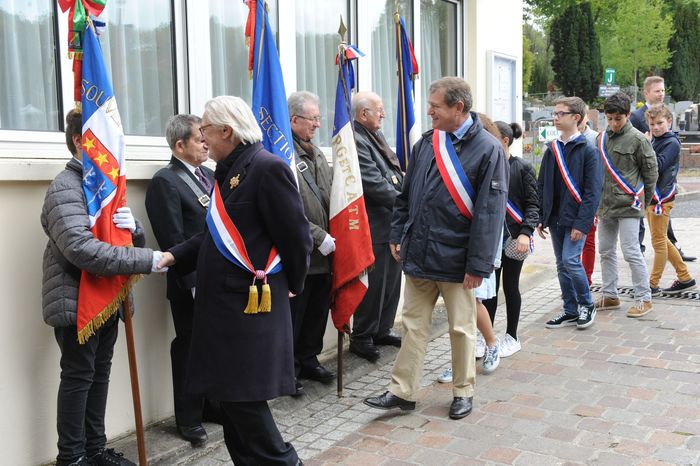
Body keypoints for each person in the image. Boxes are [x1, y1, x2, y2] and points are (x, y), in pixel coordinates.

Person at [158, 95, 312, 465]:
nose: (203, 136)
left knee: (244, 402)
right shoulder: (228, 172)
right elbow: (215, 234)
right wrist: (174, 255)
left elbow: (297, 237)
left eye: (206, 129)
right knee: (228, 401)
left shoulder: (266, 168)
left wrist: (292, 283)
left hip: (249, 308)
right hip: (223, 312)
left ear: (227, 130)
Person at [363, 77, 508, 420]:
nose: (428, 112)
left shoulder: (488, 150)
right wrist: (398, 233)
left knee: (461, 328)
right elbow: (405, 195)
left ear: (458, 108)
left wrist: (478, 264)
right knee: (413, 325)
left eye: (435, 106)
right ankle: (402, 392)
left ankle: (463, 391)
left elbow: (490, 213)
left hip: (459, 260)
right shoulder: (427, 143)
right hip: (419, 253)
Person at [41, 109, 164, 466]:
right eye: (100, 139)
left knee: (100, 374)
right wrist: (148, 259)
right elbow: (82, 250)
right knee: (79, 378)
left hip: (108, 297)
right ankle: (72, 457)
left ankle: (94, 449)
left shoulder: (104, 186)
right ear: (80, 141)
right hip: (76, 299)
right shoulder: (65, 188)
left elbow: (118, 240)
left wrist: (136, 230)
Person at [145, 114, 214, 446]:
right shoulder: (166, 181)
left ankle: (210, 405)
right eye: (199, 137)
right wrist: (192, 282)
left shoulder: (212, 176)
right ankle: (188, 418)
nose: (206, 142)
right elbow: (172, 238)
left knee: (215, 346)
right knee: (188, 347)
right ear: (179, 145)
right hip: (191, 282)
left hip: (220, 279)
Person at [537, 96, 602, 330]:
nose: (555, 117)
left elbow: (593, 192)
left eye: (560, 114)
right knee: (561, 264)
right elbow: (542, 185)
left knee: (571, 261)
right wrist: (541, 217)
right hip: (555, 217)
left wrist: (582, 224)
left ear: (576, 117)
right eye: (554, 114)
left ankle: (587, 304)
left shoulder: (588, 151)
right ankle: (570, 310)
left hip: (576, 218)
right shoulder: (551, 150)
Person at [349, 91, 404, 362]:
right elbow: (375, 184)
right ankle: (362, 336)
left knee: (392, 284)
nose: (383, 114)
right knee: (375, 285)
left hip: (391, 222)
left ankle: (382, 329)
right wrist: (406, 202)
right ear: (363, 114)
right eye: (378, 109)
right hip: (375, 225)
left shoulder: (375, 135)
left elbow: (393, 174)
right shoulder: (356, 140)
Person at [287, 91, 335, 393]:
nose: (317, 125)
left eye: (319, 118)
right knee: (295, 315)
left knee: (317, 311)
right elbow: (286, 209)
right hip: (301, 251)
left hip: (327, 253)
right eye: (312, 119)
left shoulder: (317, 154)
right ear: (293, 120)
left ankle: (308, 358)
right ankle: (288, 369)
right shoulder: (284, 156)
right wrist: (318, 236)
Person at [596, 92, 658, 318]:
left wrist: (644, 202)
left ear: (628, 115)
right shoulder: (601, 138)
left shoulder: (638, 139)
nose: (613, 123)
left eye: (617, 119)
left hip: (629, 205)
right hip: (606, 205)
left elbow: (651, 174)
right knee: (605, 250)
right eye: (609, 118)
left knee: (631, 251)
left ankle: (644, 298)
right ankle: (610, 294)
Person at [483, 121, 539, 356]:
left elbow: (533, 204)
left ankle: (512, 335)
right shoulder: (488, 166)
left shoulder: (522, 167)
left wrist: (526, 232)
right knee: (489, 290)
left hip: (515, 238)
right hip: (491, 240)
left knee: (510, 286)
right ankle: (488, 337)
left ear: (504, 141)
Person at [629, 76, 695, 261]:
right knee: (639, 215)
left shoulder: (666, 114)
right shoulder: (636, 117)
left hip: (663, 179)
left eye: (663, 90)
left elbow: (668, 145)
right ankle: (639, 250)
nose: (661, 94)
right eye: (657, 91)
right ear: (647, 93)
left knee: (663, 215)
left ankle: (673, 249)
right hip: (643, 177)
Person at [643, 104, 696, 297]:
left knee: (658, 242)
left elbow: (657, 165)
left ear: (669, 121)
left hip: (661, 198)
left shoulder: (671, 143)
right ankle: (685, 277)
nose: (656, 127)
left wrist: (646, 145)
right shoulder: (657, 139)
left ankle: (652, 284)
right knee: (662, 240)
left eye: (659, 123)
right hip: (652, 196)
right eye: (652, 124)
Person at [578, 111, 599, 285]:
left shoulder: (595, 138)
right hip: (570, 198)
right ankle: (574, 280)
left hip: (589, 196)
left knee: (588, 240)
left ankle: (586, 279)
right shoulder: (562, 139)